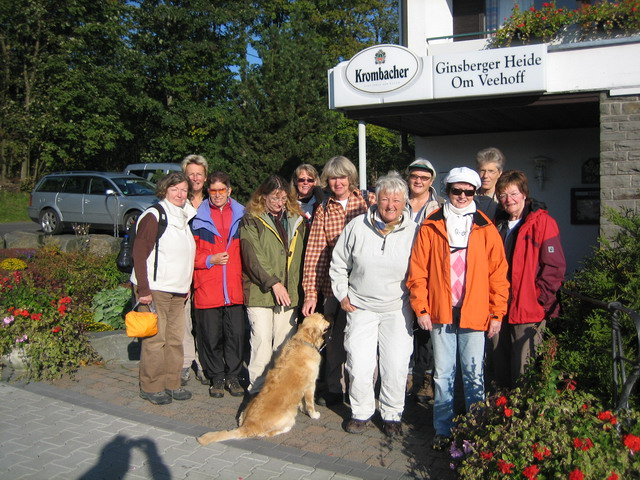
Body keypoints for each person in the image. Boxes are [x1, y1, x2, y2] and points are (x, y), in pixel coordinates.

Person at [407, 166, 509, 449]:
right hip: (441, 312)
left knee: (474, 374)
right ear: (448, 191)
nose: (462, 196)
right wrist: (422, 309)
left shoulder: (486, 227)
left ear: (475, 192)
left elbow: (498, 275)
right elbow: (418, 271)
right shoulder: (431, 224)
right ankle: (443, 430)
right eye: (456, 190)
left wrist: (497, 313)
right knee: (442, 374)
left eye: (468, 191)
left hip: (475, 313)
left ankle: (476, 429)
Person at [330, 172, 416, 437]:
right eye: (386, 198)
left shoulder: (414, 232)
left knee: (396, 363)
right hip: (360, 306)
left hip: (397, 308)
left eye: (397, 200)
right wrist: (342, 294)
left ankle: (391, 414)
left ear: (405, 203)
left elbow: (423, 271)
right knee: (359, 363)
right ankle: (361, 412)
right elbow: (339, 263)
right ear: (375, 199)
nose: (391, 205)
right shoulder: (357, 226)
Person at [301, 155, 376, 406]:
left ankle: (362, 389)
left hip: (365, 285)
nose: (338, 182)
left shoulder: (368, 201)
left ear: (350, 178)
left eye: (342, 176)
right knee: (334, 341)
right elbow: (315, 253)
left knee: (362, 341)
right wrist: (311, 293)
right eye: (333, 178)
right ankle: (334, 387)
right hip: (334, 286)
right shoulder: (323, 209)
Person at [492, 170, 566, 388]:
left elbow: (554, 266)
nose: (508, 200)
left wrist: (540, 299)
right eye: (503, 195)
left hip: (527, 308)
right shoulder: (497, 224)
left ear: (524, 193)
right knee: (500, 366)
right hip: (499, 307)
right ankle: (502, 415)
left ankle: (523, 414)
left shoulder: (542, 222)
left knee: (524, 370)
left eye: (513, 193)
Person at [131, 172, 197, 405]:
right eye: (175, 189)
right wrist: (144, 289)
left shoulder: (182, 216)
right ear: (165, 190)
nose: (180, 194)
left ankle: (172, 383)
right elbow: (139, 253)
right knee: (155, 340)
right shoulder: (155, 215)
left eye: (184, 190)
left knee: (175, 339)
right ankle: (151, 386)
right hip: (156, 288)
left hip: (178, 290)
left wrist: (186, 284)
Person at [240, 175, 306, 394]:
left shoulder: (296, 219)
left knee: (284, 346)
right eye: (275, 198)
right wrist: (274, 283)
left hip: (289, 294)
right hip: (261, 293)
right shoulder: (251, 219)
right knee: (261, 344)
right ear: (263, 196)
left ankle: (279, 391)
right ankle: (257, 390)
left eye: (283, 198)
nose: (280, 203)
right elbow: (253, 256)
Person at [191, 171, 246, 398]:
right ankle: (216, 377)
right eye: (213, 191)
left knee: (236, 336)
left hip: (234, 287)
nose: (217, 195)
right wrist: (207, 260)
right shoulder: (196, 218)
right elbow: (186, 254)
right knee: (210, 337)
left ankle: (233, 376)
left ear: (229, 191)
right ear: (208, 192)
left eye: (221, 190)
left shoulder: (244, 215)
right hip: (208, 286)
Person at [405, 158, 442, 404]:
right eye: (415, 177)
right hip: (399, 272)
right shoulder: (397, 201)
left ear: (431, 181)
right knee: (403, 326)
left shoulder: (438, 208)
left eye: (424, 178)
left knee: (426, 329)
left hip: (427, 274)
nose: (418, 181)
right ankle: (406, 376)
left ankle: (427, 378)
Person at [180, 154, 208, 386]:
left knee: (204, 320)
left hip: (208, 269)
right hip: (183, 269)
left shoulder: (215, 200)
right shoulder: (178, 202)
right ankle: (187, 362)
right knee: (184, 319)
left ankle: (204, 361)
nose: (195, 178)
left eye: (199, 174)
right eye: (191, 174)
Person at [474, 147, 506, 220]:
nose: (485, 176)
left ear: (500, 173)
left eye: (491, 171)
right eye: (482, 170)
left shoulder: (504, 199)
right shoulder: (468, 196)